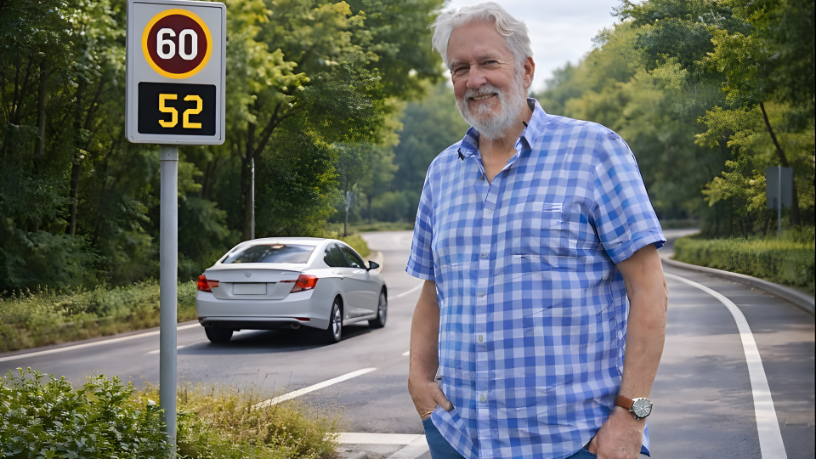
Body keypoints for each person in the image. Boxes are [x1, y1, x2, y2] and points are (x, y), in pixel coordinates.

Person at [405, 3, 669, 459]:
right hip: (461, 440)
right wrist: (419, 382)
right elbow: (433, 290)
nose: (473, 80)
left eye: (488, 62)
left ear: (525, 69)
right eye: (460, 68)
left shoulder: (595, 151)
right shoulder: (442, 171)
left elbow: (649, 290)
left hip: (579, 443)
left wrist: (632, 415)